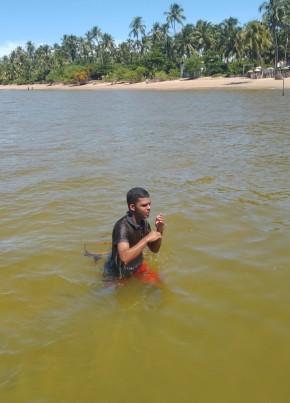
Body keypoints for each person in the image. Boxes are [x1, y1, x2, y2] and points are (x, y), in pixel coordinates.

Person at [103, 187, 165, 284]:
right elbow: (124, 258)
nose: (149, 208)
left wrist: (159, 230)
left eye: (149, 204)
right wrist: (147, 239)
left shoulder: (143, 222)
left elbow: (154, 249)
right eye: (144, 205)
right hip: (119, 274)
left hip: (138, 266)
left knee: (160, 284)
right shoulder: (122, 227)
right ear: (132, 207)